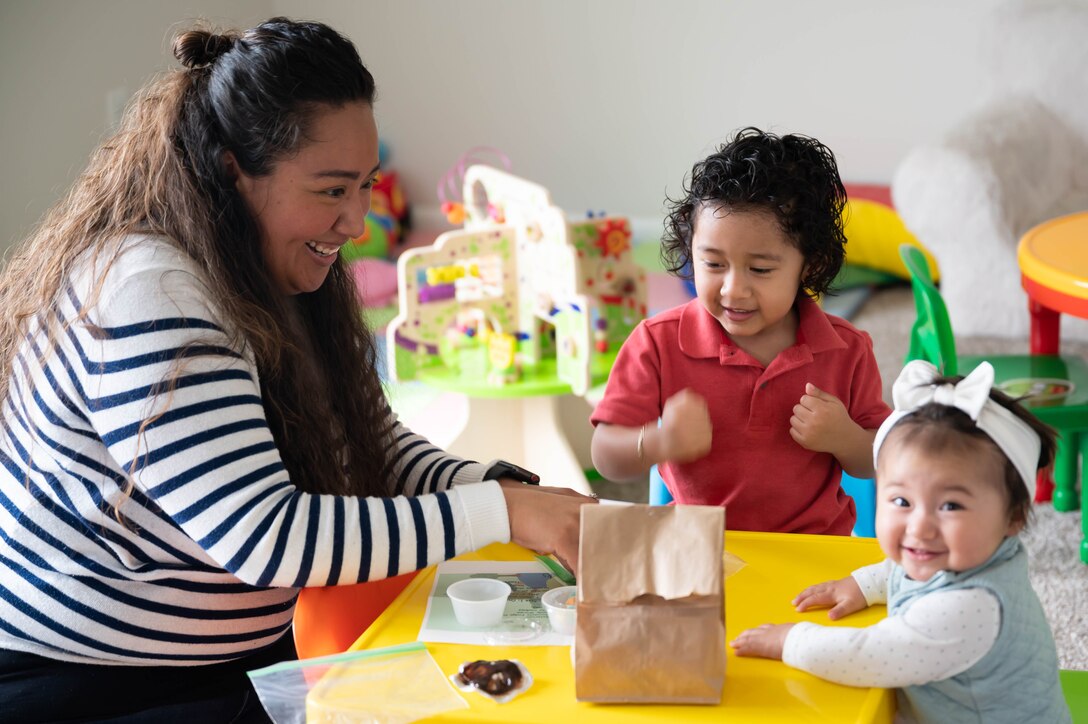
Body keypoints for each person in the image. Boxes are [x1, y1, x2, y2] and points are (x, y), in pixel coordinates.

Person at [0, 17, 594, 722]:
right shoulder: (150, 290)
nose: (358, 220)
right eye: (332, 189)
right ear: (232, 170)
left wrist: (505, 488)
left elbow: (370, 442)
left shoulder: (272, 271)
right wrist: (504, 512)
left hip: (226, 666)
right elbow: (266, 537)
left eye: (366, 186)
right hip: (93, 685)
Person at [731, 360, 1071, 723]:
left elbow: (868, 656)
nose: (919, 527)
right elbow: (906, 568)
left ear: (1014, 517)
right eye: (901, 501)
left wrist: (791, 641)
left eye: (951, 505)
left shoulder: (972, 607)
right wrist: (864, 584)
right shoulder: (970, 555)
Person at [590, 128, 890, 534]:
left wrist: (845, 437)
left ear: (811, 266)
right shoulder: (657, 342)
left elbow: (879, 458)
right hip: (701, 550)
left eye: (761, 269)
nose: (733, 289)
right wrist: (659, 442)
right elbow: (605, 456)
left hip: (813, 549)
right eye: (713, 264)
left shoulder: (847, 349)